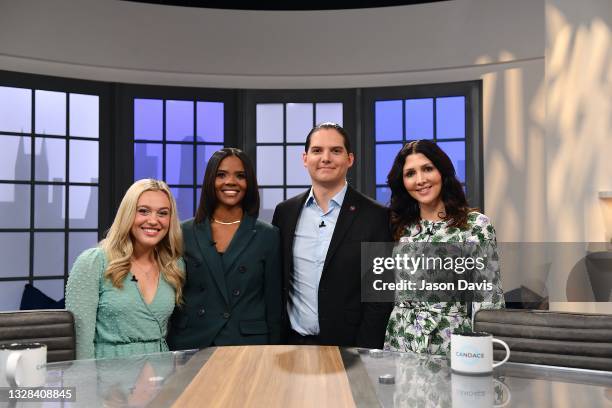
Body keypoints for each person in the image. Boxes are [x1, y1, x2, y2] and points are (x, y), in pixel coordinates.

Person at [272, 122, 393, 348]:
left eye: (335, 151)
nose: (326, 158)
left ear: (350, 159)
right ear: (305, 158)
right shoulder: (284, 213)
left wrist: (364, 352)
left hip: (350, 349)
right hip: (291, 345)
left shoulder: (376, 216)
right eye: (317, 150)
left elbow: (380, 296)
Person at [384, 140, 504, 355]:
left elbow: (489, 299)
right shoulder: (398, 226)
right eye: (410, 173)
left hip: (452, 343)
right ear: (402, 181)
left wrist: (485, 356)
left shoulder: (474, 226)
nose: (420, 180)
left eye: (428, 169)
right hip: (399, 340)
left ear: (442, 171)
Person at [168, 148, 282, 349]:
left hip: (247, 346)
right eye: (221, 175)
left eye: (240, 176)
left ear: (250, 184)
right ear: (210, 181)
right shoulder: (182, 232)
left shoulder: (268, 235)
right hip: (192, 343)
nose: (231, 182)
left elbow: (274, 307)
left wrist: (274, 356)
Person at [66, 179, 184, 359]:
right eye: (143, 211)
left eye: (162, 213)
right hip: (109, 378)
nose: (153, 220)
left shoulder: (173, 267)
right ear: (127, 214)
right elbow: (80, 343)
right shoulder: (93, 262)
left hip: (161, 374)